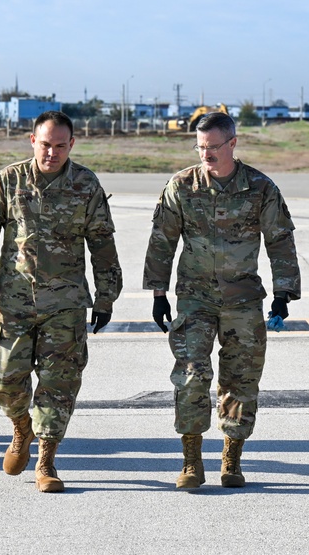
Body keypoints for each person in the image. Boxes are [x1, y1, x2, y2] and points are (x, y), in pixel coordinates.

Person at [0, 110, 122, 492]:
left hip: (65, 304)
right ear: (32, 140)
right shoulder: (10, 180)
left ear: (72, 145)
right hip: (14, 300)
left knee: (59, 384)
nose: (52, 153)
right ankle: (22, 428)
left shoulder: (86, 184)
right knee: (4, 379)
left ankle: (46, 462)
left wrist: (106, 297)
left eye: (60, 146)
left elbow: (102, 243)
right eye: (45, 144)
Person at [144, 111, 300, 489]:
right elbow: (162, 240)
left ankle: (231, 457)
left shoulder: (260, 188)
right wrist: (158, 293)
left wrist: (284, 294)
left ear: (232, 143)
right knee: (191, 377)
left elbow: (280, 240)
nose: (206, 155)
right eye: (200, 148)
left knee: (241, 381)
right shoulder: (182, 186)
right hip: (195, 299)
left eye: (213, 147)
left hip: (243, 300)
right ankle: (191, 459)